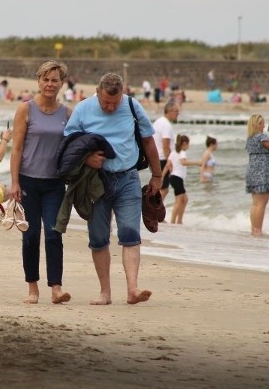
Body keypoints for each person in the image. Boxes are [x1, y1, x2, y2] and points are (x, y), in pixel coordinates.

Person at [64, 72, 162, 305]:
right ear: (97, 92)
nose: (110, 107)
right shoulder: (83, 109)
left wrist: (157, 175)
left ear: (122, 95)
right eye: (105, 102)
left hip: (128, 178)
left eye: (114, 103)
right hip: (96, 181)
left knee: (130, 232)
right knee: (98, 237)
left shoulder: (131, 105)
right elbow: (69, 142)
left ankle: (132, 289)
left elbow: (148, 141)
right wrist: (87, 158)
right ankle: (105, 292)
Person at [10, 59, 72, 305]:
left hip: (55, 184)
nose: (49, 84)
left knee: (54, 234)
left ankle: (56, 288)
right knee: (31, 234)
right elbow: (16, 149)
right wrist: (14, 183)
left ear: (61, 83)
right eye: (45, 79)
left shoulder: (67, 113)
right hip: (28, 182)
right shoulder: (25, 109)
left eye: (54, 80)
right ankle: (32, 288)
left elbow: (72, 149)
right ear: (38, 81)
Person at [245, 114, 269, 236]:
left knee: (255, 203)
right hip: (263, 171)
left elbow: (268, 146)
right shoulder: (261, 136)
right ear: (256, 125)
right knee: (261, 204)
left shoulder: (250, 138)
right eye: (261, 123)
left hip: (253, 170)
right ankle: (258, 230)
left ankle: (254, 229)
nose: (264, 126)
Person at [162, 134, 201, 224]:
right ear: (184, 143)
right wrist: (197, 163)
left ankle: (179, 220)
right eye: (188, 144)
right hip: (177, 178)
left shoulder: (173, 153)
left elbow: (167, 166)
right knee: (178, 201)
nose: (188, 146)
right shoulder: (182, 152)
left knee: (185, 200)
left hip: (173, 178)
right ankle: (173, 222)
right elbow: (183, 162)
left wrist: (162, 177)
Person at [152, 101, 178, 201]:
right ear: (169, 111)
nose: (177, 114)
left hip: (155, 157)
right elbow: (166, 146)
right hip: (162, 158)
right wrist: (170, 161)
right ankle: (156, 213)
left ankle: (155, 213)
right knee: (164, 189)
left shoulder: (158, 121)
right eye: (176, 111)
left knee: (160, 187)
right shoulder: (166, 125)